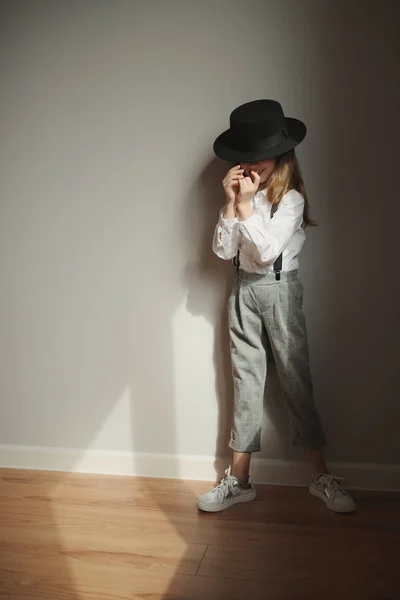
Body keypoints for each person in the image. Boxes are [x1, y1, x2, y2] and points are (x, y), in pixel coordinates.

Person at [198, 100, 356, 514]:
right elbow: (222, 250)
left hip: (280, 290)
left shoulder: (291, 200)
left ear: (281, 153)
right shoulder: (240, 195)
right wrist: (233, 203)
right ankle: (240, 480)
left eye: (259, 155)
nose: (252, 164)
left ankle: (320, 474)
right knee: (246, 383)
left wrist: (248, 206)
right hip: (242, 291)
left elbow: (267, 253)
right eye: (243, 157)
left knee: (294, 381)